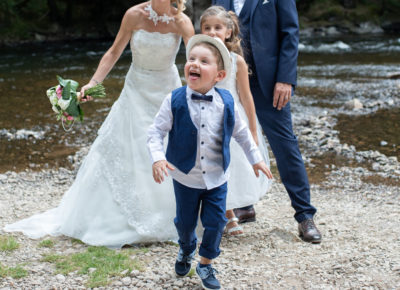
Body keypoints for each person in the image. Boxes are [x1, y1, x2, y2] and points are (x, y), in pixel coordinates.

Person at [4, 0, 194, 248]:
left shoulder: (181, 20)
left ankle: (172, 214)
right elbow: (114, 52)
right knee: (129, 144)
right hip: (136, 87)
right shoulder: (133, 15)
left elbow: (195, 59)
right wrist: (93, 84)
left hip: (167, 90)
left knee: (168, 145)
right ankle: (119, 215)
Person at [147, 34, 273, 290]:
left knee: (216, 223)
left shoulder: (227, 102)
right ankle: (186, 248)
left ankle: (205, 262)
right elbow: (155, 132)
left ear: (219, 75)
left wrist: (257, 160)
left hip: (217, 178)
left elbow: (242, 134)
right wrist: (158, 158)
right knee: (185, 223)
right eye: (191, 59)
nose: (194, 63)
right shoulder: (174, 100)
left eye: (204, 61)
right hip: (185, 177)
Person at [212, 0, 322, 243]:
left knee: (285, 145)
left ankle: (305, 216)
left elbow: (290, 32)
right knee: (228, 143)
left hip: (270, 82)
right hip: (228, 80)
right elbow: (214, 31)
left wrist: (285, 78)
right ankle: (243, 204)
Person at [199, 6, 272, 236]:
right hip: (205, 119)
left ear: (228, 32)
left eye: (217, 28)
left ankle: (229, 215)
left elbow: (246, 96)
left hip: (231, 120)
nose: (212, 32)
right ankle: (223, 215)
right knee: (208, 166)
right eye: (207, 28)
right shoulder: (199, 58)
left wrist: (252, 128)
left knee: (230, 168)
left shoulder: (236, 61)